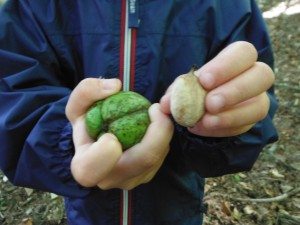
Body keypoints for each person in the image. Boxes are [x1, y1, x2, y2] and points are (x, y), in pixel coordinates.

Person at [0, 1, 278, 224]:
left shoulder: (230, 6)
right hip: (87, 213)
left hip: (177, 208)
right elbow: (10, 96)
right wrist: (66, 139)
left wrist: (224, 127)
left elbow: (255, 105)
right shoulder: (32, 6)